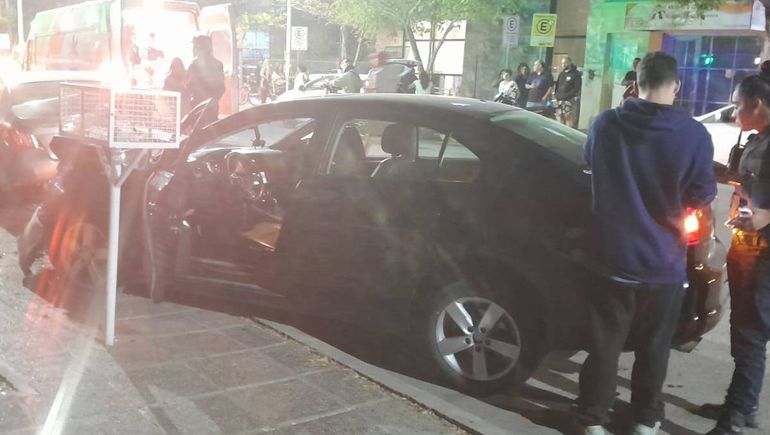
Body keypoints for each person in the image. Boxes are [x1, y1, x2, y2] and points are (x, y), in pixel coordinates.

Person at [579, 51, 716, 435]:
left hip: (610, 259)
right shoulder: (694, 134)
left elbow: (589, 163)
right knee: (654, 347)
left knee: (604, 344)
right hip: (663, 264)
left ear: (636, 83)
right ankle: (645, 419)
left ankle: (592, 419)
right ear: (676, 85)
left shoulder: (606, 124)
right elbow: (702, 194)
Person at [704, 61, 770, 435]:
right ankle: (744, 404)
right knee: (744, 330)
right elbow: (748, 179)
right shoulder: (757, 138)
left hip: (764, 252)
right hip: (747, 247)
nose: (735, 112)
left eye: (740, 105)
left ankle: (735, 416)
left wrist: (764, 215)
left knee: (750, 332)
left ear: (758, 103)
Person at [186, 35, 225, 124]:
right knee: (211, 134)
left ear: (199, 47)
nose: (193, 49)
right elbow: (221, 87)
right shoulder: (218, 64)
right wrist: (214, 100)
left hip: (197, 106)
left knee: (197, 134)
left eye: (195, 46)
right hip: (212, 106)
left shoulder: (194, 65)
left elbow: (188, 85)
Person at [554, 56, 582, 128]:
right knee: (559, 121)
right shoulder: (561, 74)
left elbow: (576, 88)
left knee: (569, 121)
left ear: (570, 63)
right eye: (562, 63)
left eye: (565, 63)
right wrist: (557, 96)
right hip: (559, 102)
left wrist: (565, 96)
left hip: (569, 101)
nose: (563, 65)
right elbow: (557, 86)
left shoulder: (576, 74)